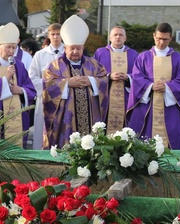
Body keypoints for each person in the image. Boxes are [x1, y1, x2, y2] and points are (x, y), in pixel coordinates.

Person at [42, 15, 109, 148]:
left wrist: (91, 81)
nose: (75, 51)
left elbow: (104, 80)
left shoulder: (95, 65)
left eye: (78, 48)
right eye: (71, 48)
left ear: (83, 48)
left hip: (91, 118)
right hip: (65, 121)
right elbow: (48, 85)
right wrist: (67, 83)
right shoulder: (54, 66)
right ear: (65, 48)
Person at [126, 23, 180, 149]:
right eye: (158, 38)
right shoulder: (143, 57)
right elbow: (137, 78)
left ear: (171, 38)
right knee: (145, 141)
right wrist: (150, 86)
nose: (161, 42)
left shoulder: (178, 59)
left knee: (172, 138)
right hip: (149, 106)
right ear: (154, 36)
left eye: (165, 39)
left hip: (170, 106)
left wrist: (167, 87)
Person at [0, 22, 36, 148]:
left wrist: (20, 90)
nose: (11, 51)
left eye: (14, 47)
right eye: (8, 47)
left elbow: (31, 89)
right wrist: (6, 78)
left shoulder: (19, 65)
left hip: (17, 118)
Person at [94, 26, 139, 133]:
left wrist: (128, 77)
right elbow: (93, 74)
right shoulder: (100, 53)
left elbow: (140, 75)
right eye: (115, 34)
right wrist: (109, 77)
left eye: (121, 35)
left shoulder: (133, 54)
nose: (118, 37)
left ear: (125, 38)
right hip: (106, 97)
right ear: (110, 37)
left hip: (126, 97)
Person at [29, 23, 64, 150]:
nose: (55, 37)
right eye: (53, 34)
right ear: (48, 36)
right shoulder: (40, 55)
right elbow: (32, 76)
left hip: (63, 97)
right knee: (41, 130)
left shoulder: (67, 53)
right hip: (45, 98)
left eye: (58, 34)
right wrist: (47, 88)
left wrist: (61, 87)